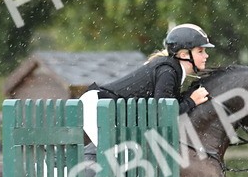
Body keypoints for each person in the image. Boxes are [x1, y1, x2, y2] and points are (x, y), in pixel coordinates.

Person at [79, 23, 214, 146]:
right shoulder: (168, 72)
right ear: (184, 55)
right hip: (97, 108)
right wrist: (191, 101)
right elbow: (163, 113)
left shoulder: (173, 69)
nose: (206, 56)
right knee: (122, 159)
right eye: (200, 51)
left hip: (108, 109)